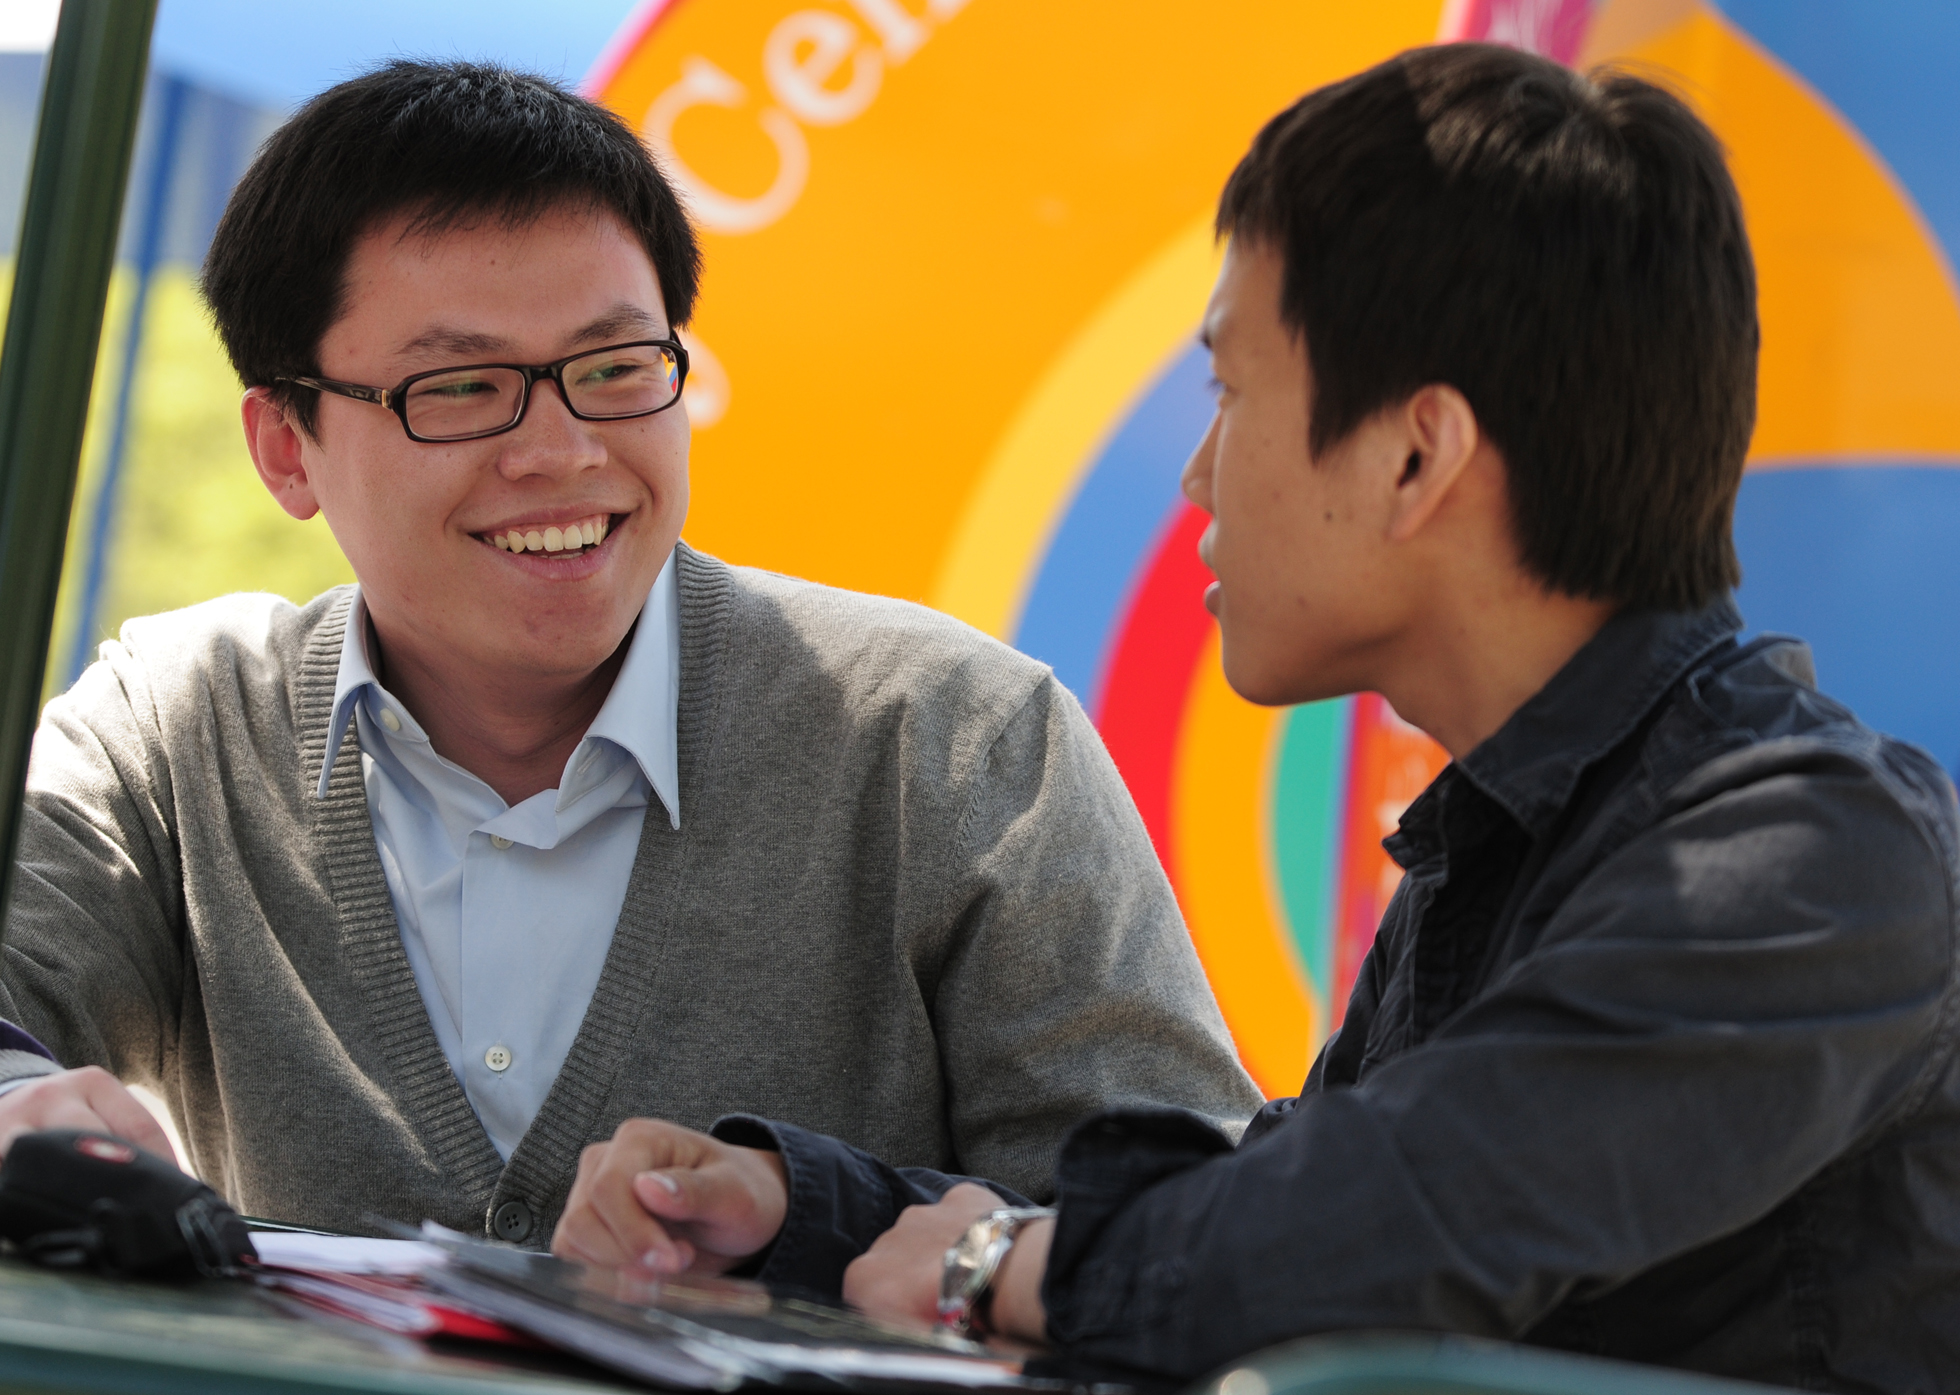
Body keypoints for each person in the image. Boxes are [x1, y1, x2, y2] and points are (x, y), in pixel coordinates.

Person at [546, 43, 1960, 1394]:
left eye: (1230, 392)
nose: (1200, 478)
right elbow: (1267, 1198)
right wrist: (811, 1211)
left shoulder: (1816, 850)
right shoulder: (1518, 827)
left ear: (1419, 453)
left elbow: (1380, 1236)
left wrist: (986, 1260)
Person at [0, 61, 1261, 1241]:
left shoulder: (961, 741)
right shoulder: (174, 734)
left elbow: (1193, 1234)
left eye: (613, 368)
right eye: (460, 388)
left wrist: (807, 1221)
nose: (560, 451)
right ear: (284, 445)